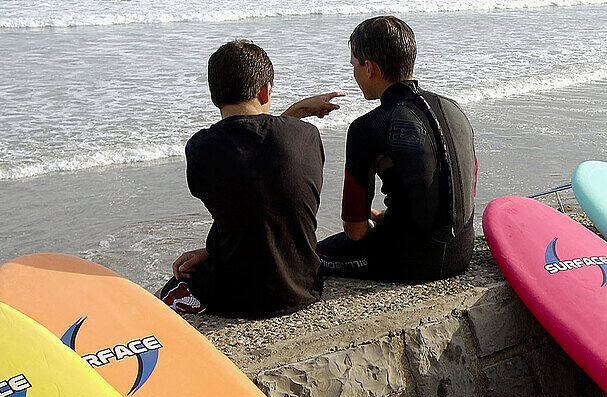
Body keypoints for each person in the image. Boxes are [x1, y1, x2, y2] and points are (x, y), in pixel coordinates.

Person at [161, 39, 343, 317]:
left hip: (234, 298)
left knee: (170, 289)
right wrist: (293, 115)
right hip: (304, 287)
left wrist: (212, 252)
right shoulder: (307, 136)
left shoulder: (200, 148)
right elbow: (267, 174)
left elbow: (245, 191)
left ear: (214, 97)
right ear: (265, 90)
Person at [317, 16, 476, 281]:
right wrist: (386, 217)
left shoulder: (366, 127)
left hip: (410, 263)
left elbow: (355, 231)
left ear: (369, 68)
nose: (354, 73)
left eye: (354, 65)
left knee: (310, 256)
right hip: (462, 251)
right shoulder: (454, 109)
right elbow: (461, 189)